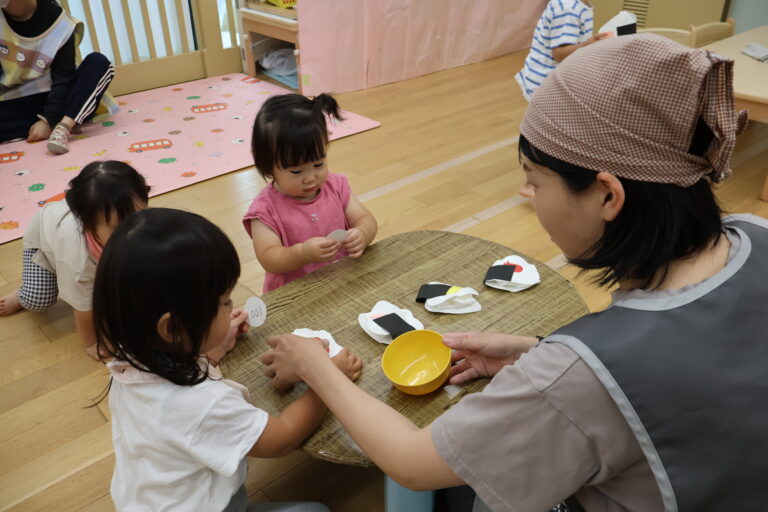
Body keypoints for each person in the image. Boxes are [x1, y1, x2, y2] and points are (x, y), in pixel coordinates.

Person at [260, 34, 767, 511]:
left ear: (608, 195)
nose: (526, 194)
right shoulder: (754, 232)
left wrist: (317, 367)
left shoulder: (580, 377)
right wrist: (535, 351)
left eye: (534, 181)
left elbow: (412, 462)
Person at [94, 208, 363, 511]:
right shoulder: (204, 404)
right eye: (224, 302)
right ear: (172, 329)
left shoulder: (129, 359)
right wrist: (328, 377)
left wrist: (210, 350)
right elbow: (283, 438)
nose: (231, 305)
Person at [0, 161, 149, 360]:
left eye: (142, 216)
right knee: (38, 300)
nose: (137, 231)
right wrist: (91, 342)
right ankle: (23, 295)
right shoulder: (79, 261)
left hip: (76, 234)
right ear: (88, 226)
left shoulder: (115, 219)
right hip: (43, 244)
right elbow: (84, 308)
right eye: (121, 226)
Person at [243, 93, 378, 293]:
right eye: (296, 171)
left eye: (318, 164)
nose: (310, 178)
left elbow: (365, 219)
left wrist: (362, 234)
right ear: (268, 167)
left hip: (342, 282)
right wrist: (302, 253)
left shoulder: (336, 186)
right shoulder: (264, 211)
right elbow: (269, 258)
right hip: (294, 296)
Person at [0, 0, 115, 153]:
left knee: (98, 62)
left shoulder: (59, 23)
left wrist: (47, 120)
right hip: (15, 101)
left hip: (60, 99)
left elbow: (63, 77)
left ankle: (64, 125)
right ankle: (50, 124)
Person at [514, 0, 608, 101]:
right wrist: (589, 46)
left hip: (552, 78)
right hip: (546, 83)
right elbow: (560, 54)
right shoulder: (568, 8)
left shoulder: (578, 6)